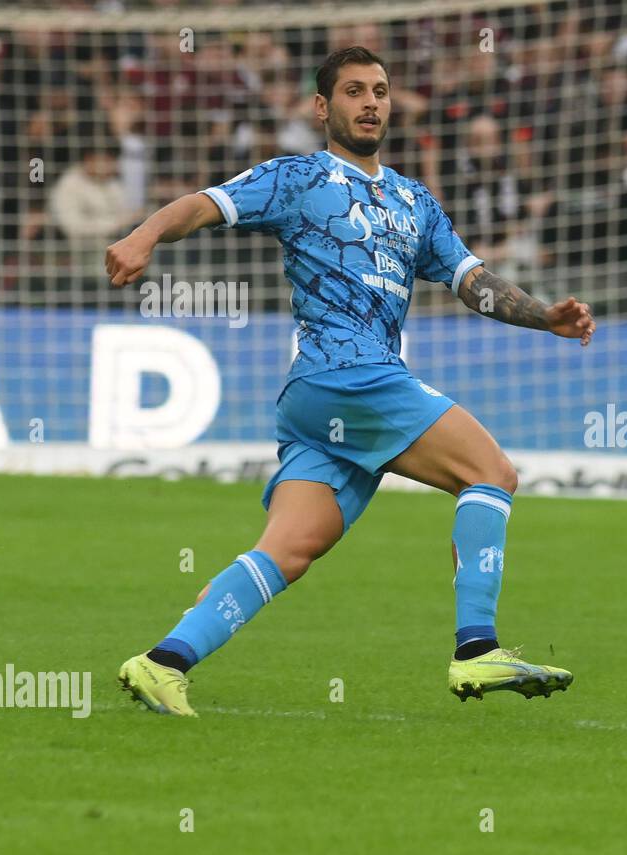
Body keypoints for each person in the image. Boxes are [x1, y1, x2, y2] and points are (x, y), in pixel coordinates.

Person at [105, 47, 595, 716]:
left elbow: (471, 280)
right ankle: (477, 649)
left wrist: (546, 317)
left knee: (288, 550)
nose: (371, 102)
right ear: (322, 106)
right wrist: (144, 237)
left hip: (317, 403)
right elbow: (203, 205)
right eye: (355, 91)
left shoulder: (413, 200)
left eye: (381, 90)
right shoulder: (299, 177)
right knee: (492, 473)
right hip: (349, 374)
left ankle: (163, 662)